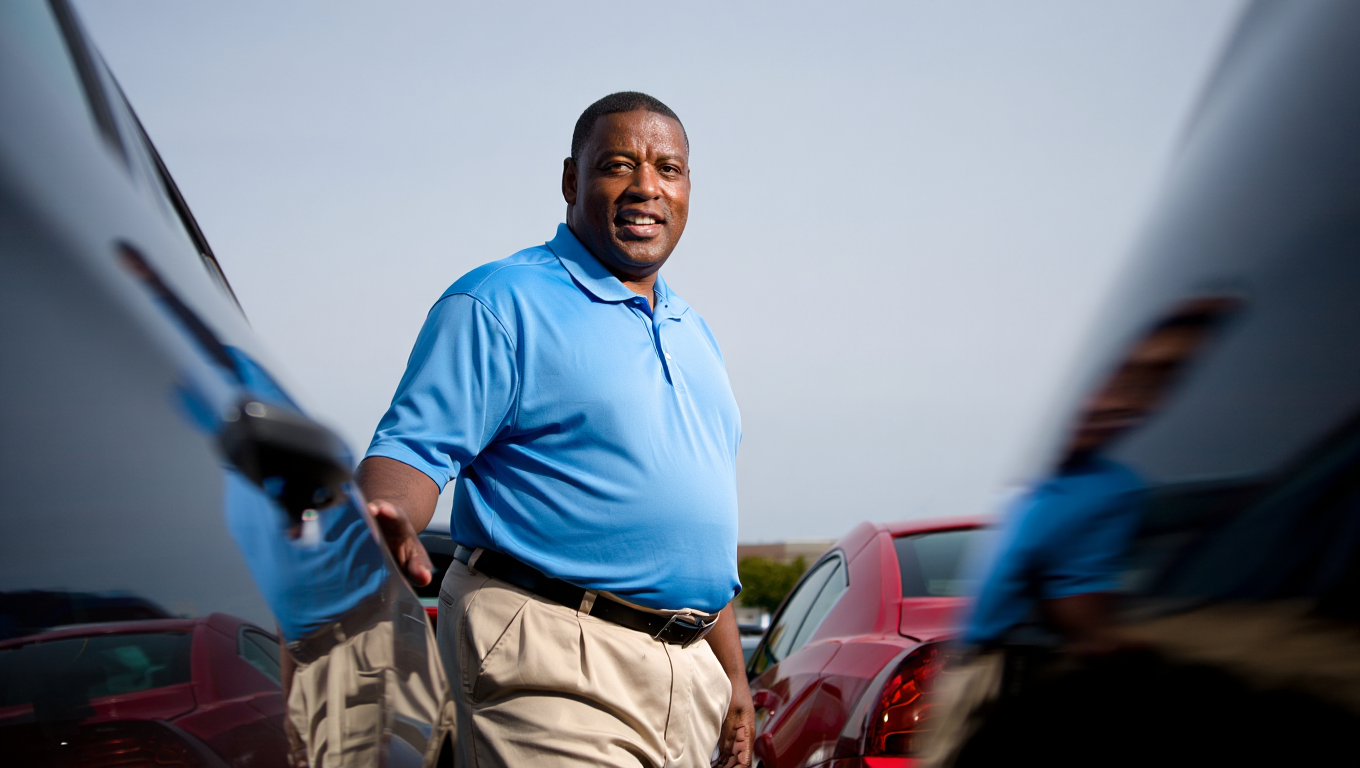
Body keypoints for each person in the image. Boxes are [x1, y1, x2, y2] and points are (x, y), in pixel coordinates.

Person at [357, 91, 753, 768]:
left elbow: (692, 535)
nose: (646, 187)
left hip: (691, 678)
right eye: (618, 165)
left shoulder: (694, 331)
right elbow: (410, 451)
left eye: (669, 168)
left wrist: (734, 678)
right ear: (572, 179)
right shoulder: (499, 302)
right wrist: (378, 517)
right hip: (552, 653)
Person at [921, 297, 1236, 768]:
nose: (1121, 402)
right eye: (1120, 375)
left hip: (1001, 683)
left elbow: (1081, 613)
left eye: (1151, 385)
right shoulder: (1052, 482)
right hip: (982, 682)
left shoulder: (1104, 488)